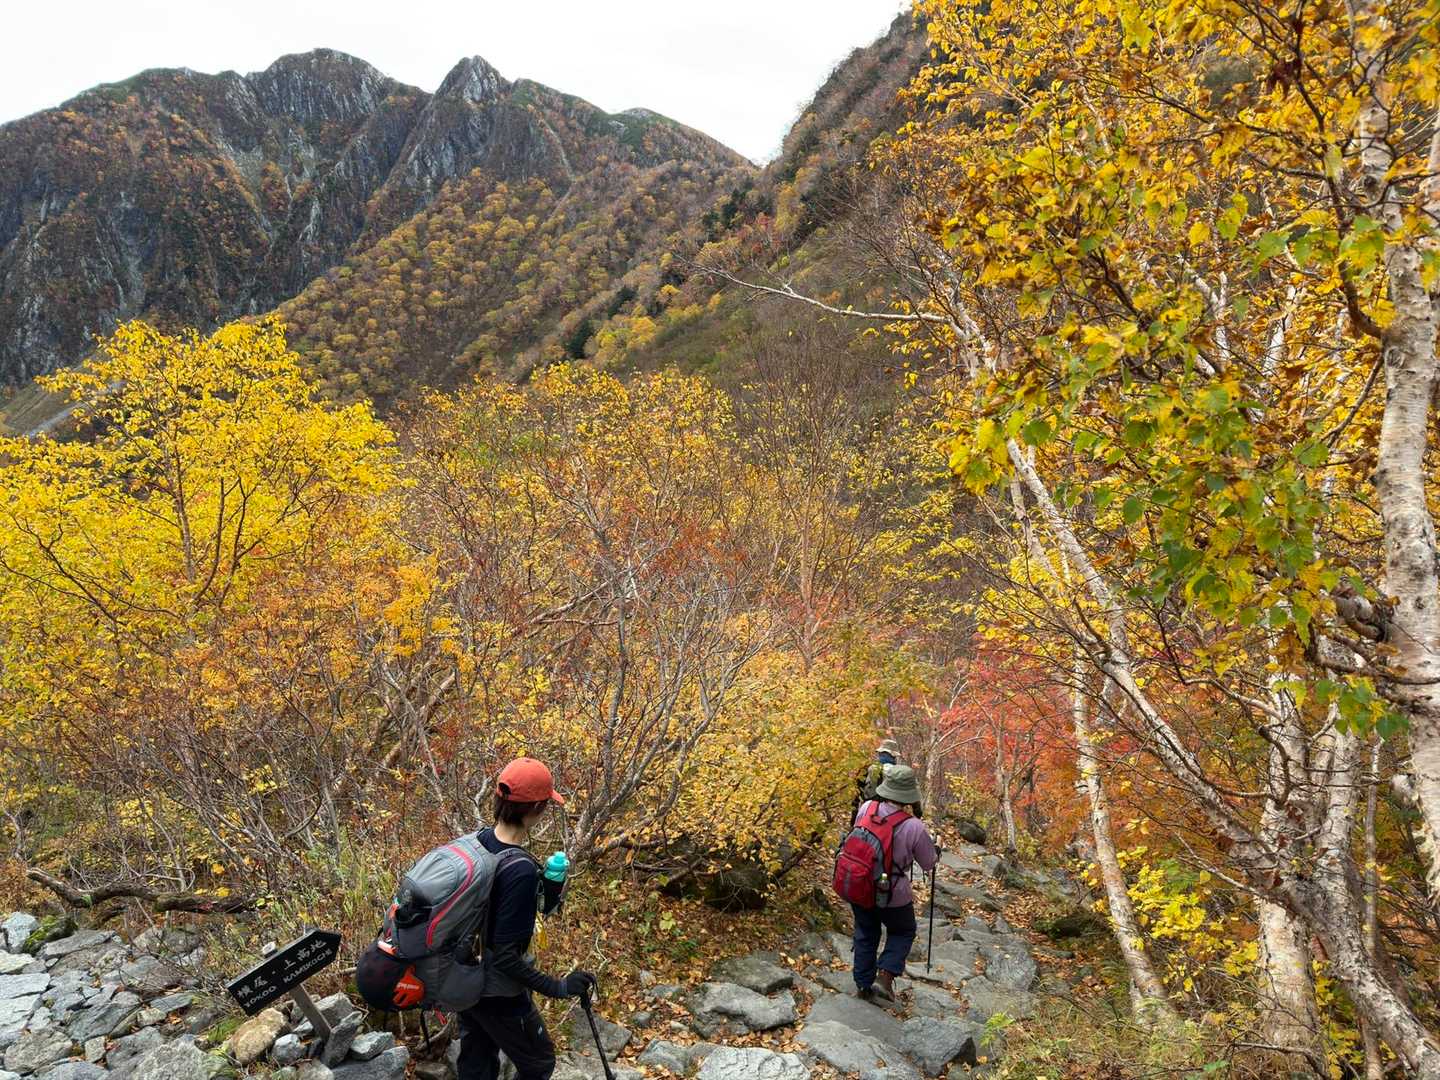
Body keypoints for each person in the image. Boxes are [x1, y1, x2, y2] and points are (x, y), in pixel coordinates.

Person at [456, 757, 595, 1080]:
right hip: (498, 993)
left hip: (464, 981)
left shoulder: (477, 841)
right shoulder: (519, 870)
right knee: (538, 1063)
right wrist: (558, 987)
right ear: (536, 808)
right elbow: (506, 957)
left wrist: (545, 889)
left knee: (477, 1062)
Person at [850, 764, 937, 1003]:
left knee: (865, 932)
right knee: (903, 930)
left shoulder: (867, 807)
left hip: (860, 883)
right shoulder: (914, 826)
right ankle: (885, 977)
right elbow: (928, 863)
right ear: (909, 795)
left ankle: (862, 986)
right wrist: (936, 849)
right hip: (892, 893)